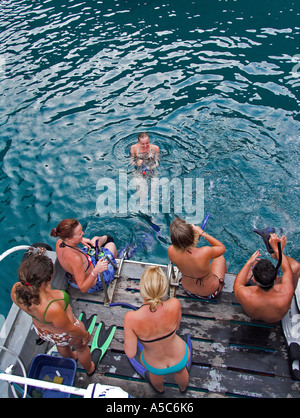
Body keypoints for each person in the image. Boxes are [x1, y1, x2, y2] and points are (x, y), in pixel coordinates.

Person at [11, 253, 95, 375]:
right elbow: (70, 329)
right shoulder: (53, 305)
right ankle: (90, 368)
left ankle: (71, 357)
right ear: (47, 280)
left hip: (43, 331)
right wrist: (84, 334)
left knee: (61, 345)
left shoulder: (16, 290)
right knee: (82, 348)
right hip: (65, 333)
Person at [124, 266, 190, 394]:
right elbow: (176, 327)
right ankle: (183, 390)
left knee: (155, 375)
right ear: (164, 287)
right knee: (181, 371)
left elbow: (131, 353)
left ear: (142, 288)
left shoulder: (131, 318)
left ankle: (160, 391)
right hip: (180, 356)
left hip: (154, 363)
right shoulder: (174, 304)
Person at [233, 233, 300, 323]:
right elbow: (287, 270)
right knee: (296, 267)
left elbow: (238, 283)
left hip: (253, 314)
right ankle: (276, 256)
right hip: (276, 317)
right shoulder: (287, 291)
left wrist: (249, 263)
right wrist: (277, 249)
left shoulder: (245, 294)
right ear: (276, 278)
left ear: (254, 279)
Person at [50, 219, 117, 293]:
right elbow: (83, 288)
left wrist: (80, 240)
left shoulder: (60, 242)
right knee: (111, 245)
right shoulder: (76, 259)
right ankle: (115, 260)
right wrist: (96, 270)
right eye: (79, 234)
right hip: (93, 281)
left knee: (95, 240)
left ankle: (105, 238)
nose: (83, 233)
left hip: (79, 272)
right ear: (69, 239)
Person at [168, 217, 227, 300]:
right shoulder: (205, 252)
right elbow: (222, 248)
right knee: (220, 258)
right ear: (193, 236)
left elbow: (184, 253)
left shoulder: (171, 251)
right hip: (211, 293)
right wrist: (202, 233)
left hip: (188, 291)